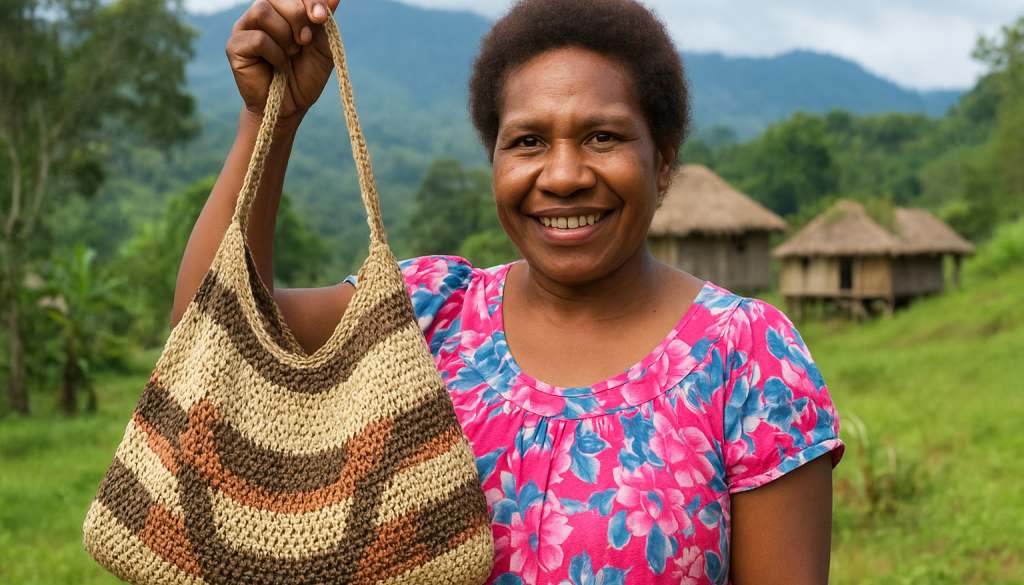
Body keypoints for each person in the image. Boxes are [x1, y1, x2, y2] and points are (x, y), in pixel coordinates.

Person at [172, 0, 844, 583]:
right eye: (526, 142)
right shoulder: (425, 312)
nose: (563, 174)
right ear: (495, 161)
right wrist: (269, 119)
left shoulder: (748, 354)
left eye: (602, 136)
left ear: (662, 160)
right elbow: (206, 344)